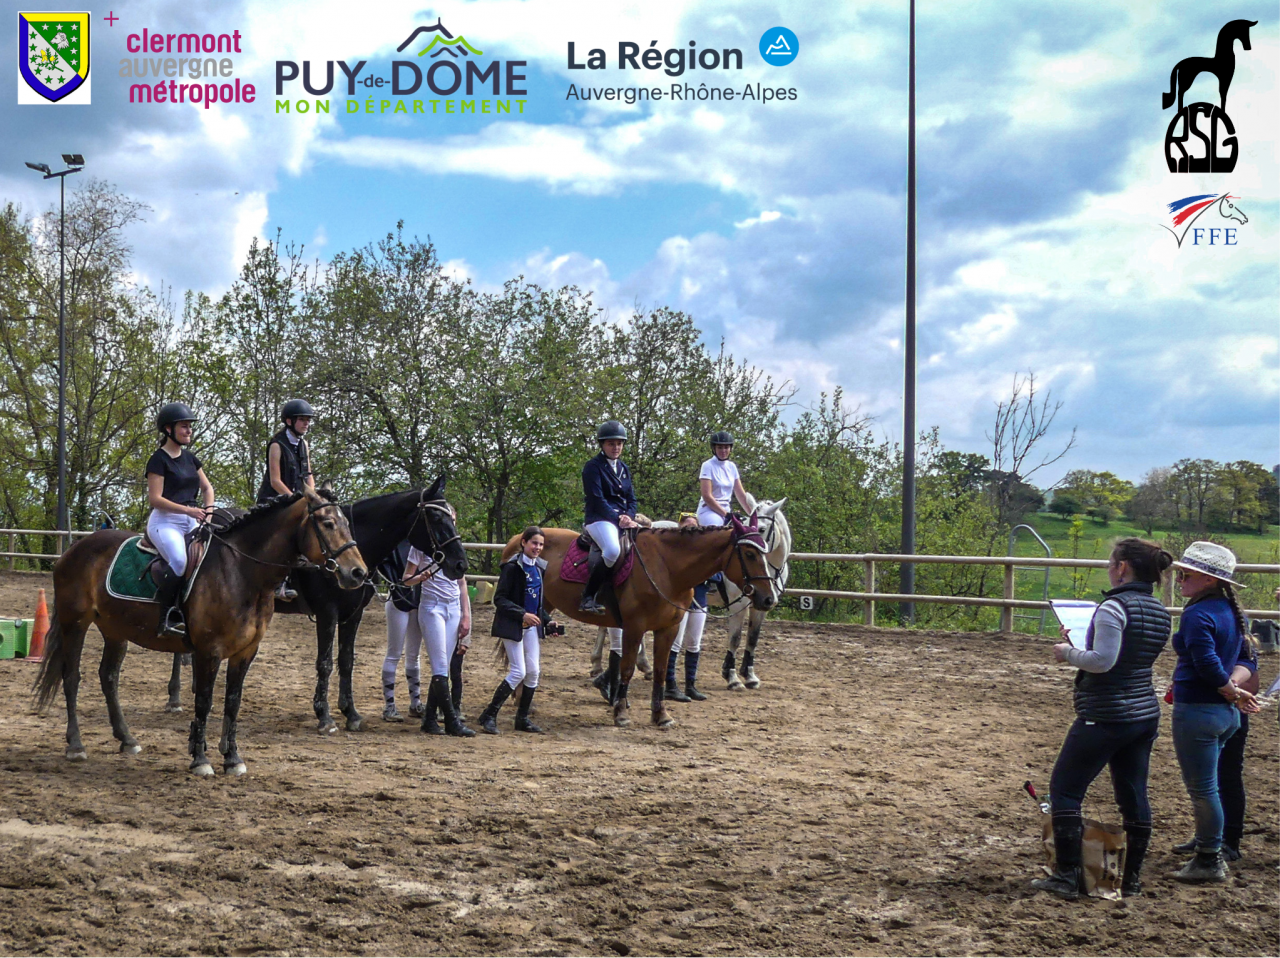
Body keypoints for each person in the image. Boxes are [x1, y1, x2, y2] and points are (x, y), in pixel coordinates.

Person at [1030, 538, 1174, 900]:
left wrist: (1068, 652)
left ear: (1122, 567)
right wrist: (1083, 641)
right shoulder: (1159, 610)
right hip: (1143, 713)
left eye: (1111, 563)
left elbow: (1104, 662)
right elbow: (1129, 655)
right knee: (1133, 793)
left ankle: (1065, 876)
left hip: (1105, 713)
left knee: (1065, 789)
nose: (1109, 568)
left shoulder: (1113, 607)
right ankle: (1133, 879)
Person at [1167, 541, 1260, 884]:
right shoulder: (1232, 612)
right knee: (1212, 785)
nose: (1179, 579)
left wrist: (1226, 688)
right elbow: (1237, 659)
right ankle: (1209, 840)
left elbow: (1206, 662)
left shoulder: (1197, 613)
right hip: (1225, 714)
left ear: (1208, 579)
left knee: (1203, 788)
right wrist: (1233, 691)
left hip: (1199, 711)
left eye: (1186, 574)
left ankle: (1209, 856)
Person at [1172, 635, 1259, 862]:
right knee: (1212, 778)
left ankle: (1229, 840)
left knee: (1225, 776)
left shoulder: (1221, 626)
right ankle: (1208, 836)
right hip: (1224, 705)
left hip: (1223, 706)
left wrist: (1231, 688)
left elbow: (1250, 673)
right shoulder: (1228, 625)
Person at [478, 526, 558, 734]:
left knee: (533, 672)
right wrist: (522, 614)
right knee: (518, 671)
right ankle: (489, 714)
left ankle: (521, 718)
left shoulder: (539, 567)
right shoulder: (512, 567)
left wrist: (548, 621)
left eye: (541, 544)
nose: (537, 548)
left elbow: (537, 602)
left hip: (530, 627)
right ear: (523, 543)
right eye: (534, 543)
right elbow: (500, 599)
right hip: (512, 624)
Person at [403, 505, 474, 738]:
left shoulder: (453, 545)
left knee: (443, 665)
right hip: (432, 606)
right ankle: (451, 719)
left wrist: (466, 615)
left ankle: (430, 719)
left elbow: (462, 582)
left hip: (453, 607)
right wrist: (419, 577)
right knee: (440, 665)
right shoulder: (420, 548)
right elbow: (406, 579)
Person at [145, 403, 216, 638]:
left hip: (192, 519)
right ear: (168, 429)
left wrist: (209, 511)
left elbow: (207, 487)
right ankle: (167, 616)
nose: (189, 431)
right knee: (178, 560)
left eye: (189, 427)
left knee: (212, 557)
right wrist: (188, 511)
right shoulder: (158, 460)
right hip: (165, 522)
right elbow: (155, 499)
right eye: (184, 427)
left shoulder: (191, 459)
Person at [256, 399, 317, 601]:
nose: (306, 424)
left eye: (308, 420)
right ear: (289, 421)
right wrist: (294, 499)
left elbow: (308, 474)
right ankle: (279, 583)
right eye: (302, 420)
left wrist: (313, 497)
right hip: (274, 501)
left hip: (297, 499)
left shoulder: (303, 444)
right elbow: (275, 480)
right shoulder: (276, 445)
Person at [580, 420, 638, 616]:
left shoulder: (624, 468)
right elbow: (597, 499)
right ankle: (589, 596)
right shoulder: (592, 467)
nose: (616, 448)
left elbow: (632, 499)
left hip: (623, 518)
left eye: (619, 444)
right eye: (611, 444)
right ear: (602, 445)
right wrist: (618, 517)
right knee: (612, 550)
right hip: (599, 518)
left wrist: (629, 516)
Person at [664, 512, 709, 703]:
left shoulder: (705, 551)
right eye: (686, 526)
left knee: (694, 643)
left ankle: (691, 684)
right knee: (675, 642)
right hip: (679, 599)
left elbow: (716, 574)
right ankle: (670, 685)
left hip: (699, 599)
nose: (691, 530)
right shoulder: (672, 549)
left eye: (694, 526)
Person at [377, 540, 423, 723]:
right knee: (394, 653)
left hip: (418, 598)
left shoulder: (421, 542)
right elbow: (383, 564)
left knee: (414, 654)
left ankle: (416, 702)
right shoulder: (395, 542)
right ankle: (389, 705)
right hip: (398, 597)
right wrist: (394, 584)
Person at [697, 431, 753, 528]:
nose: (723, 450)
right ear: (714, 448)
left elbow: (741, 495)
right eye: (720, 447)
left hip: (727, 511)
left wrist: (753, 515)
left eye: (726, 447)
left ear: (730, 448)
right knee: (716, 530)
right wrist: (726, 514)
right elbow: (707, 496)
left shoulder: (732, 467)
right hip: (709, 511)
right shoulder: (707, 465)